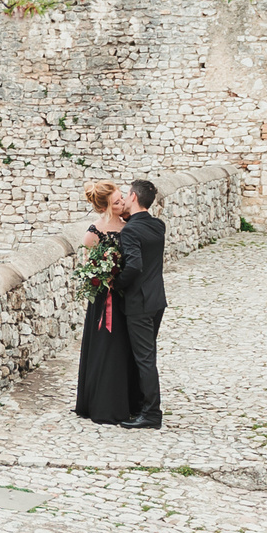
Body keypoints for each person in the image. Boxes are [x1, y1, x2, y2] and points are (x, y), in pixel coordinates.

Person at [73, 181, 139, 424]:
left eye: (122, 198)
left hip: (127, 294)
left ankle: (130, 401)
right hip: (105, 298)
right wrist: (105, 276)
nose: (123, 203)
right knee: (107, 348)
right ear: (106, 207)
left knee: (126, 348)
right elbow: (88, 267)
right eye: (117, 201)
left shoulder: (130, 225)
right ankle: (104, 404)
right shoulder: (94, 232)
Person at [114, 179, 169, 429]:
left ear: (134, 197)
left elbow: (134, 265)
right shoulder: (158, 225)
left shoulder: (130, 231)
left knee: (145, 359)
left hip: (139, 303)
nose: (124, 198)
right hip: (157, 299)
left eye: (126, 194)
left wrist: (116, 284)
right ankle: (139, 404)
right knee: (146, 356)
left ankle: (151, 413)